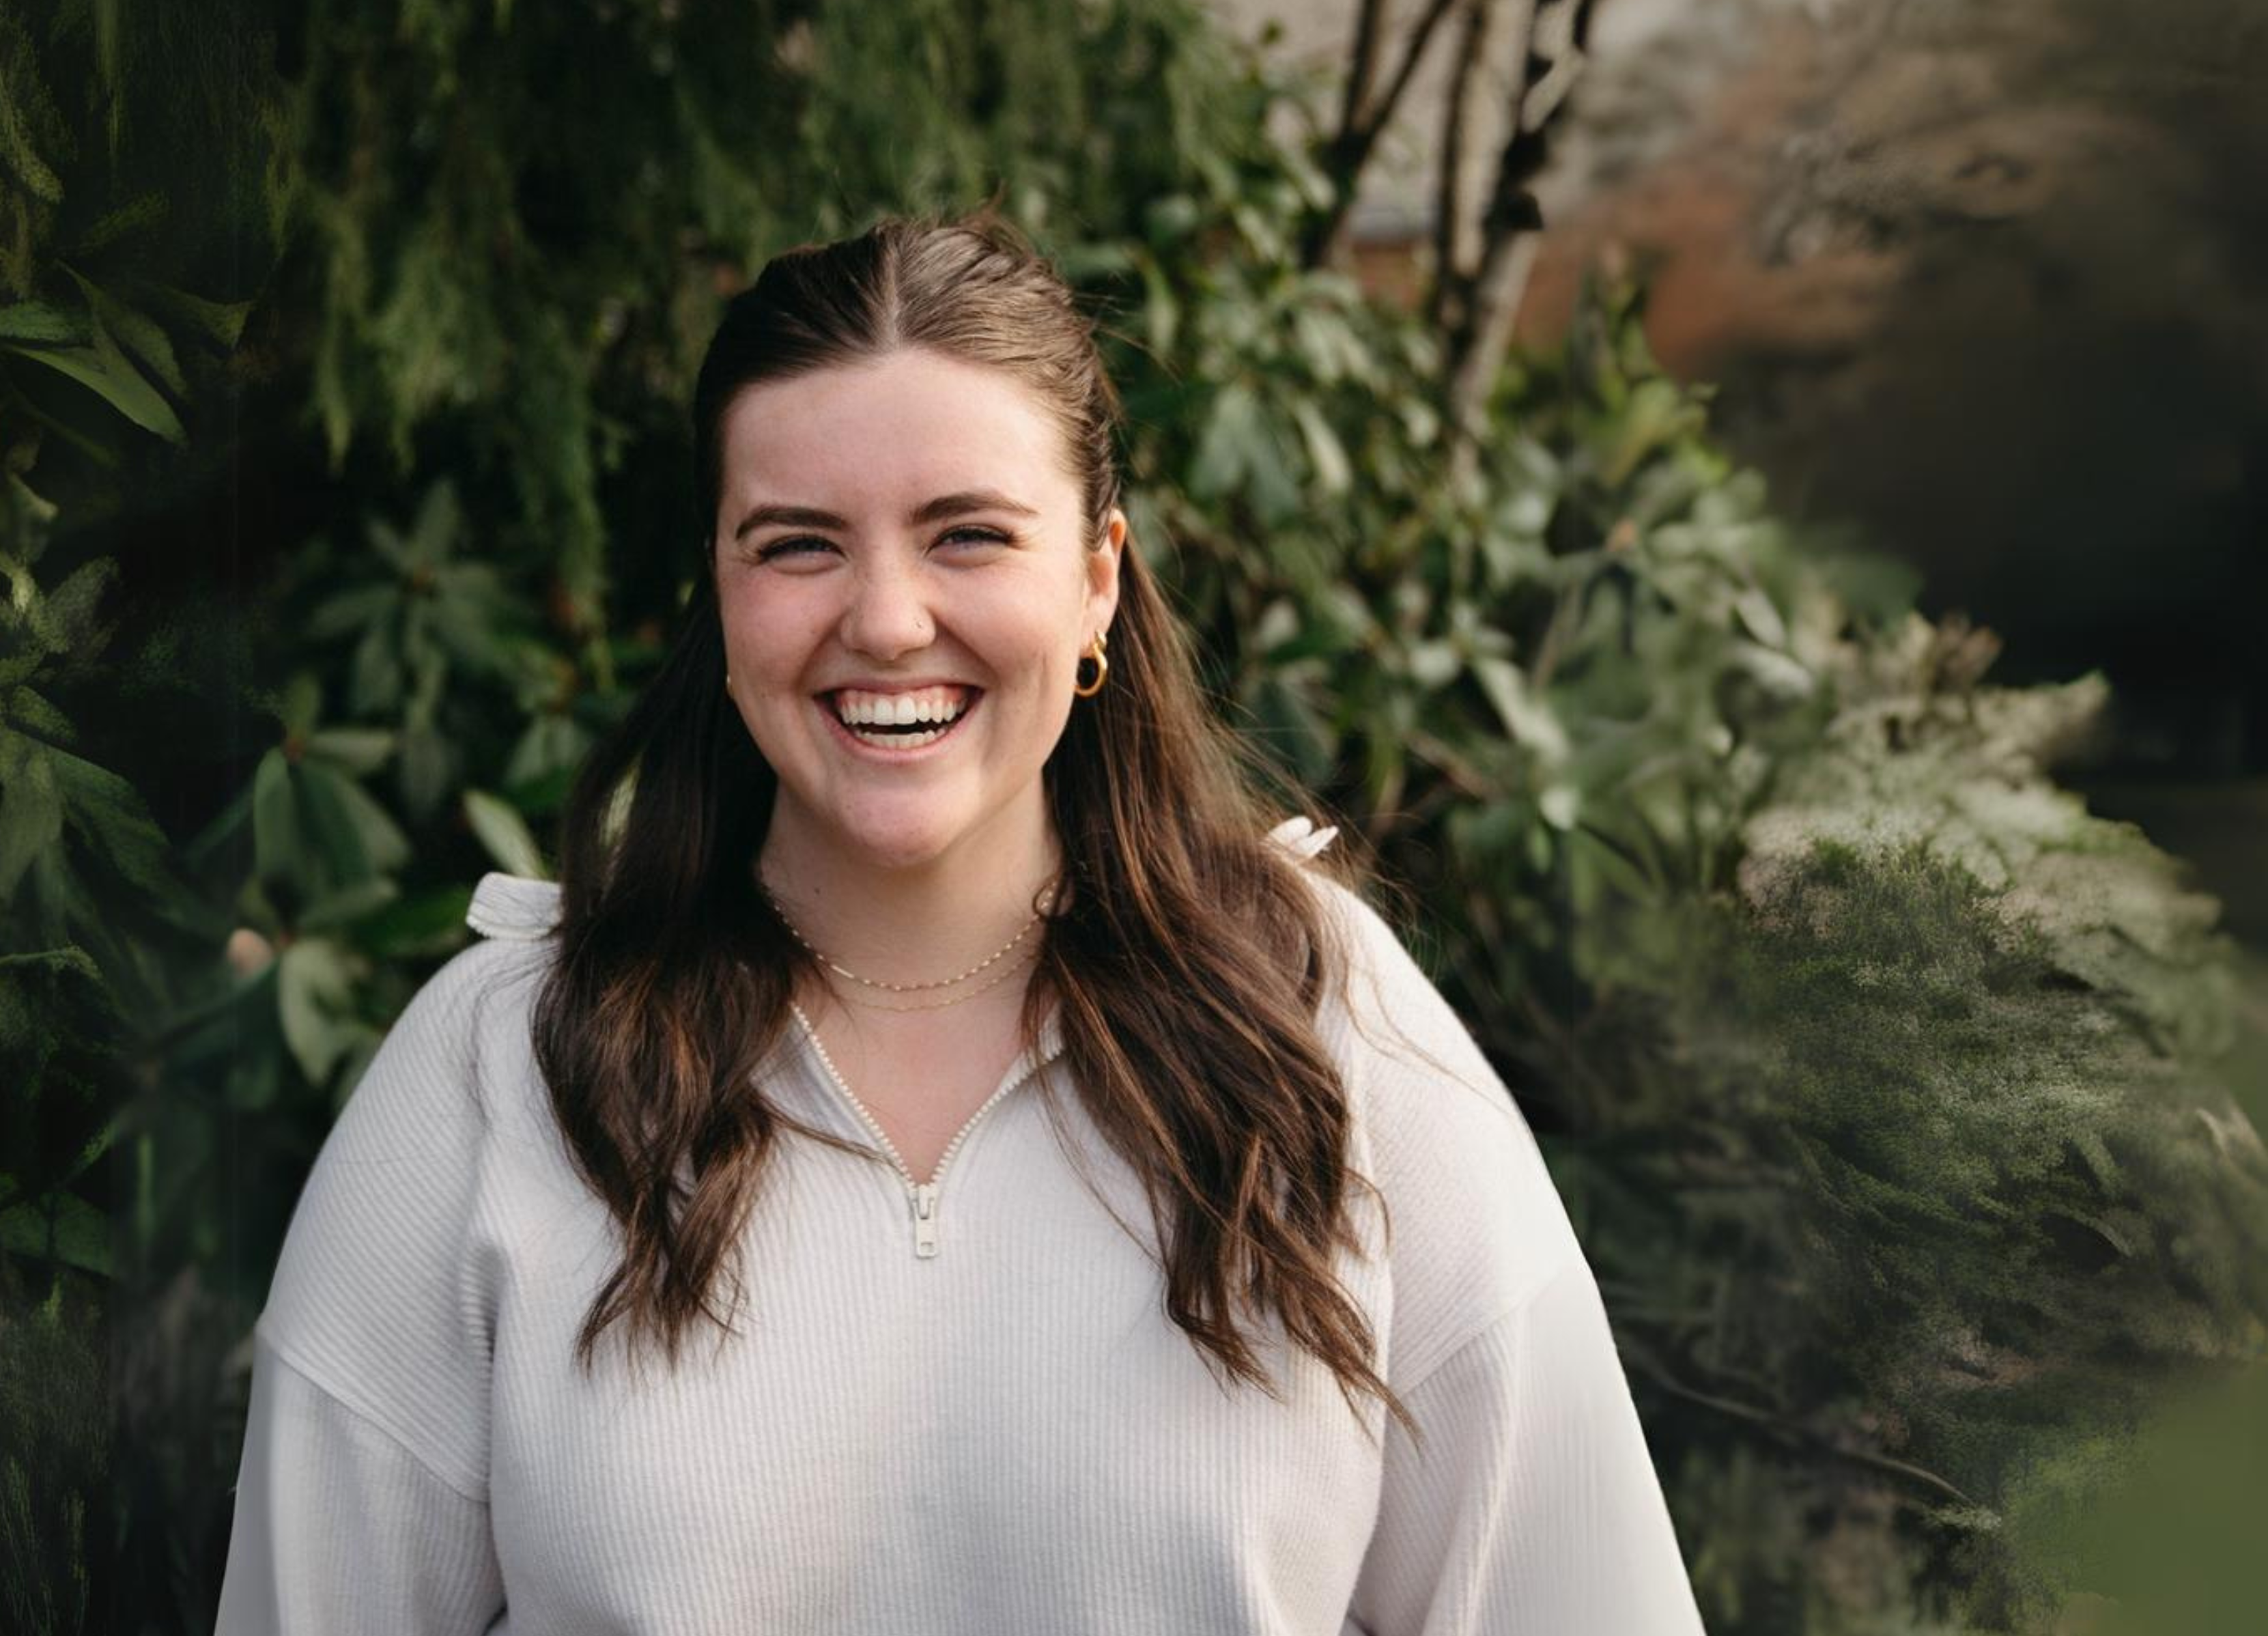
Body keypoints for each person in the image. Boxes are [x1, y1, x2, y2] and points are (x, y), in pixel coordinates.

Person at [214, 210, 1705, 1635]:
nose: (883, 618)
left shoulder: (1317, 1027)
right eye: (797, 542)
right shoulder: (503, 1068)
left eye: (968, 535)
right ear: (720, 595)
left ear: (1099, 582)